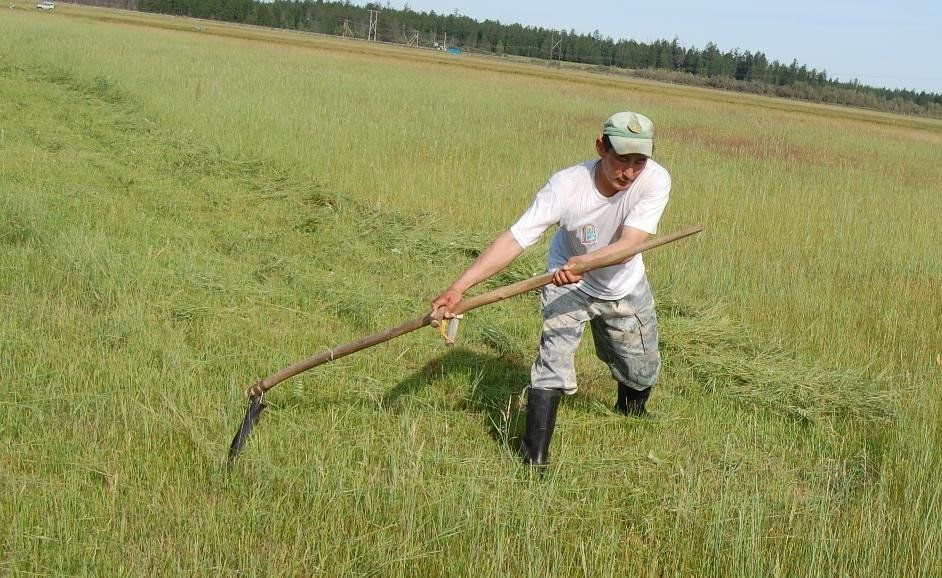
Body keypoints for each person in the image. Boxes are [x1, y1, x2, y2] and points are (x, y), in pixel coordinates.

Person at [431, 111, 671, 468]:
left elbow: (630, 243)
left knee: (640, 366)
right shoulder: (566, 186)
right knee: (553, 359)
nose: (630, 172)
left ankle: (630, 412)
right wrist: (459, 286)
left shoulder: (655, 180)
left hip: (624, 283)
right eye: (622, 159)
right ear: (600, 147)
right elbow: (516, 238)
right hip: (566, 281)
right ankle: (534, 458)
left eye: (640, 161)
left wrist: (586, 263)